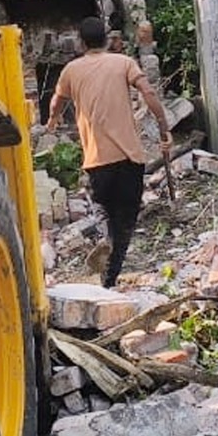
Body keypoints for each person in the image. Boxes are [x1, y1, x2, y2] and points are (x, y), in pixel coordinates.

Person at [46, 17, 173, 288]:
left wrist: (51, 122)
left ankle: (105, 243)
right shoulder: (123, 63)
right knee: (125, 220)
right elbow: (148, 92)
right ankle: (110, 276)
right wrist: (164, 128)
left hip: (97, 161)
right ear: (106, 39)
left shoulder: (71, 70)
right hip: (129, 158)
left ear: (81, 42)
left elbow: (57, 100)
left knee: (103, 208)